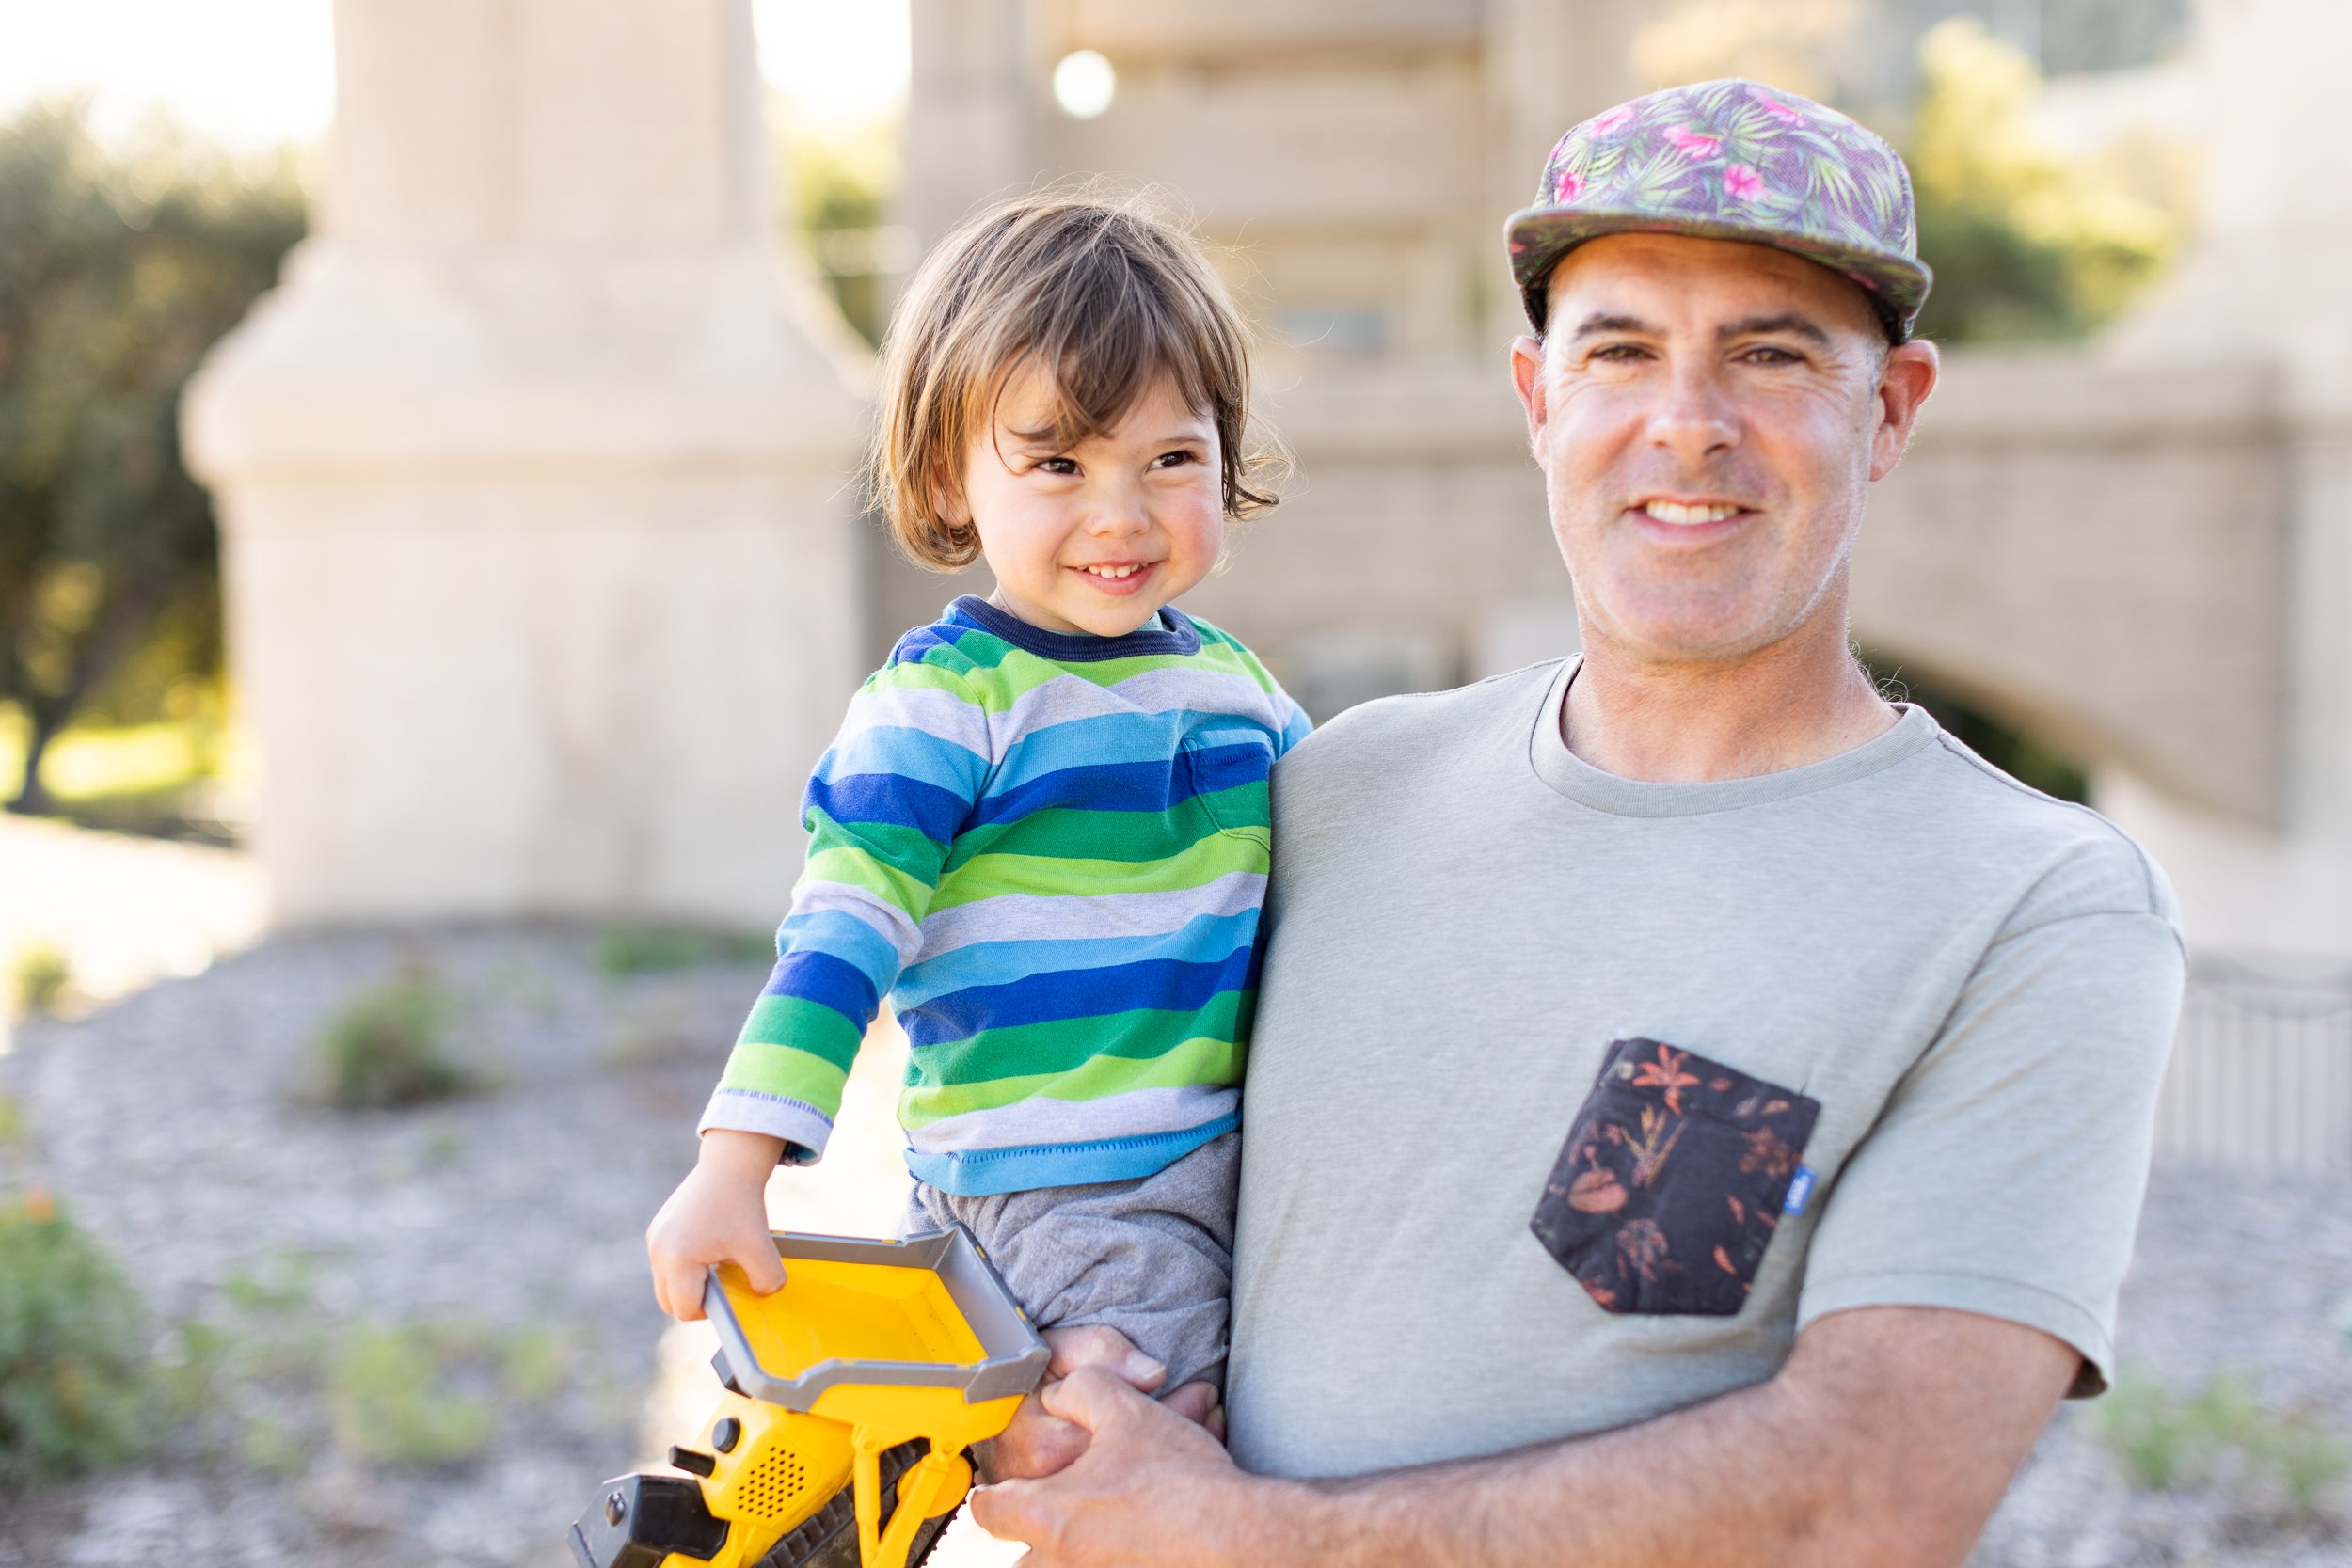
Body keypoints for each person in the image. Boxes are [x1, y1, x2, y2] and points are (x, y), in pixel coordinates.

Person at [969, 79, 2186, 1566]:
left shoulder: (2031, 906)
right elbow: (1071, 1127)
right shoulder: (1334, 790)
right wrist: (1070, 1365)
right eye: (1621, 352)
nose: (1687, 423)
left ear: (1892, 408)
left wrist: (1245, 1539)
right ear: (1541, 401)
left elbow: (1868, 1494)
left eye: (1770, 354)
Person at [644, 191, 1309, 1417]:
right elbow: (840, 936)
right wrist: (736, 1165)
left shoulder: (1234, 688)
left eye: (1171, 458)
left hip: (1225, 1160)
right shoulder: (948, 704)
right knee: (1152, 1453)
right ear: (950, 479)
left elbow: (1346, 856)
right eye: (1058, 463)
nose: (1122, 511)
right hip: (1065, 1190)